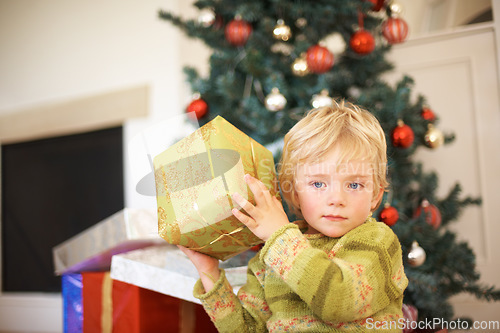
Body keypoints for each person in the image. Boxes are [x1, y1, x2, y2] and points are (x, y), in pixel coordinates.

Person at [179, 100, 408, 332]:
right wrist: (209, 274)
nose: (337, 198)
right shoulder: (271, 255)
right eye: (318, 183)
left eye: (355, 185)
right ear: (294, 192)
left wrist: (280, 239)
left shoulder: (379, 242)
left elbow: (340, 300)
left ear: (376, 196)